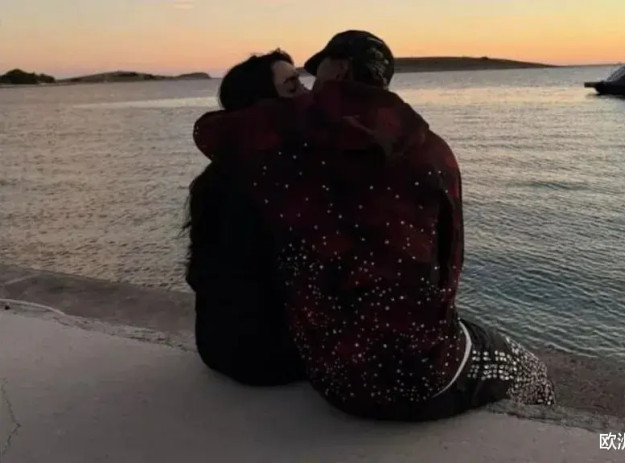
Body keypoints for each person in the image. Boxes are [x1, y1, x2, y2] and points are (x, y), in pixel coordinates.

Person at [193, 31, 555, 419]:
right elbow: (449, 267)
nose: (309, 88)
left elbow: (212, 131)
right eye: (296, 85)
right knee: (533, 373)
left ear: (340, 69)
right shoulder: (431, 152)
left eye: (314, 76)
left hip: (328, 374)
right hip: (419, 379)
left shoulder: (285, 161)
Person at [184, 49, 308, 386]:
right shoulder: (281, 176)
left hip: (217, 347)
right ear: (263, 105)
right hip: (273, 356)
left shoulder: (220, 173)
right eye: (293, 86)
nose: (307, 93)